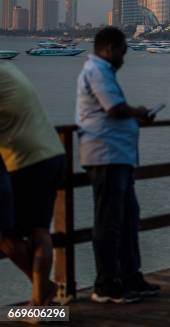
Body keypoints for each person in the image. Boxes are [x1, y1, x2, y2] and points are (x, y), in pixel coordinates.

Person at [76, 26, 159, 304]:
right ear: (110, 48)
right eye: (123, 50)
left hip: (117, 156)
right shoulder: (97, 71)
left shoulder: (104, 71)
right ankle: (106, 284)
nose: (125, 56)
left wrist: (134, 117)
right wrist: (138, 112)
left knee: (127, 218)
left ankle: (129, 276)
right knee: (109, 222)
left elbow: (114, 111)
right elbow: (114, 108)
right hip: (105, 155)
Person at [0, 62, 66, 306]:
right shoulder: (9, 68)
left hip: (27, 161)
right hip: (51, 155)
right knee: (38, 230)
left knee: (9, 235)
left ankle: (41, 299)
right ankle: (42, 299)